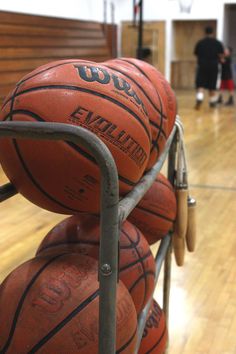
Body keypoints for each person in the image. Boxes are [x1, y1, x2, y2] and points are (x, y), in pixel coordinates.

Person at [194, 26, 224, 110]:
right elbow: (221, 56)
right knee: (212, 86)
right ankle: (212, 102)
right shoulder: (217, 43)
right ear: (212, 33)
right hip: (213, 66)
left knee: (200, 84)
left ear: (205, 32)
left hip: (202, 66)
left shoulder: (200, 43)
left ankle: (199, 98)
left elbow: (196, 54)